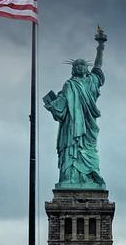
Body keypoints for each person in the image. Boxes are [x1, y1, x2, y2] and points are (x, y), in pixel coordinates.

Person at [43, 26, 108, 189]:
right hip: (72, 127)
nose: (79, 67)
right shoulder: (69, 85)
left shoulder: (92, 81)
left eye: (82, 65)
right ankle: (70, 178)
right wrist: (53, 105)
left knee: (90, 151)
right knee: (72, 149)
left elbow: (99, 66)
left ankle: (91, 176)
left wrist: (100, 46)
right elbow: (61, 106)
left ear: (86, 69)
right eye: (77, 65)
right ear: (73, 69)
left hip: (87, 126)